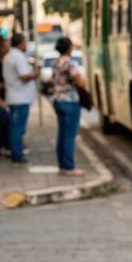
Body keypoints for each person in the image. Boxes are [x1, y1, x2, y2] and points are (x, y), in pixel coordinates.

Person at [50, 37, 86, 177]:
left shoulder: (56, 62)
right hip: (69, 101)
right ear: (69, 48)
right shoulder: (70, 63)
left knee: (62, 135)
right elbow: (80, 82)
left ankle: (62, 166)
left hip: (58, 100)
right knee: (69, 136)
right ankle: (69, 167)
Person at [2, 33, 39, 165]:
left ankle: (15, 152)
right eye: (25, 43)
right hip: (20, 98)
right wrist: (35, 74)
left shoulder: (8, 56)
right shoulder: (17, 56)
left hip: (14, 96)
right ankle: (17, 155)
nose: (26, 45)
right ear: (21, 43)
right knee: (18, 128)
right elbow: (24, 76)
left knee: (15, 127)